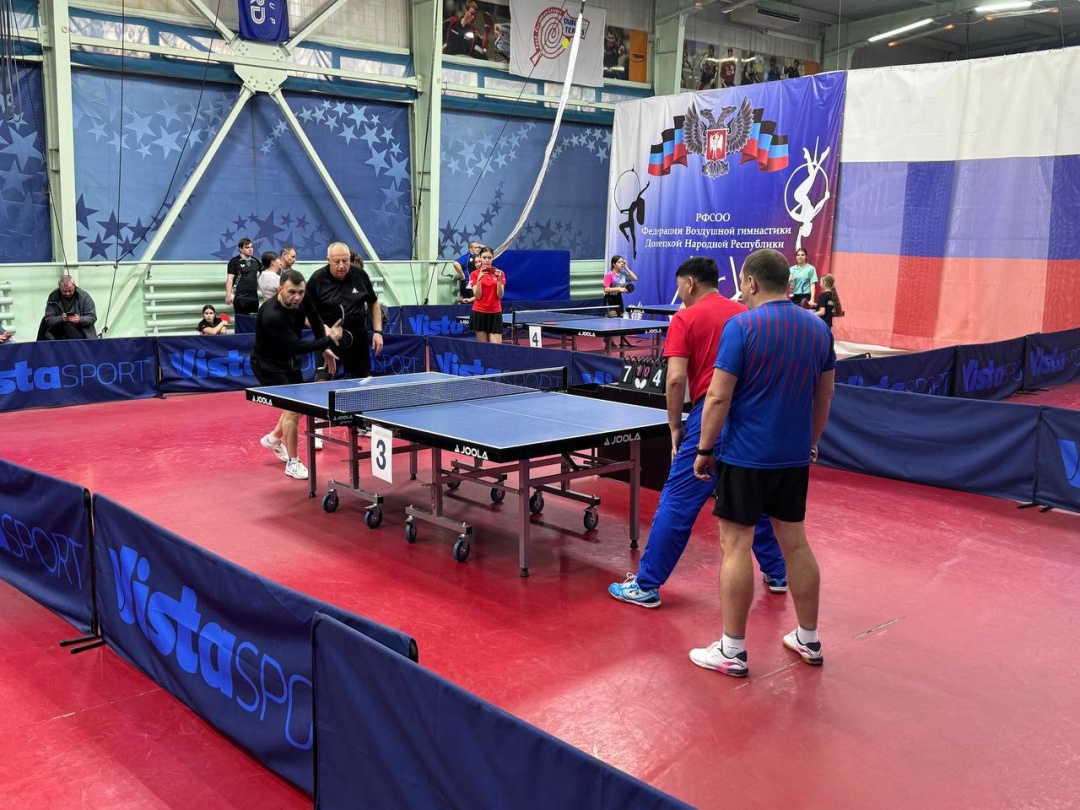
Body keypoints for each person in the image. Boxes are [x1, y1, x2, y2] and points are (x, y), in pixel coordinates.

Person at [608, 257, 787, 610]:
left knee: (677, 500)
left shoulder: (685, 318)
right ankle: (777, 573)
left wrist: (675, 425)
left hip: (711, 414)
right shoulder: (744, 313)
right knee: (751, 497)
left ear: (689, 283)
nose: (679, 292)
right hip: (753, 417)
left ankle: (646, 585)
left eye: (679, 285)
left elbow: (675, 379)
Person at [689, 249, 836, 678]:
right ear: (788, 282)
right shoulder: (819, 329)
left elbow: (718, 396)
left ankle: (732, 650)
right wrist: (811, 443)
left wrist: (704, 448)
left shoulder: (742, 326)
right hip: (793, 458)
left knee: (736, 545)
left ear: (751, 283)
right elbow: (825, 395)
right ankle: (808, 638)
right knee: (796, 544)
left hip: (745, 456)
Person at [252, 269, 343, 480]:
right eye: (292, 292)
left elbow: (315, 319)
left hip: (290, 362)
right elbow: (295, 346)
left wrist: (325, 349)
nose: (297, 297)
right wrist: (328, 340)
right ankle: (293, 463)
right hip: (268, 365)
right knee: (292, 410)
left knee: (298, 407)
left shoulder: (303, 297)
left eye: (300, 292)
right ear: (279, 289)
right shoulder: (272, 315)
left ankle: (273, 439)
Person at [306, 243, 384, 380]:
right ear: (328, 260)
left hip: (357, 339)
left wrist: (378, 332)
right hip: (328, 339)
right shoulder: (317, 279)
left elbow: (373, 303)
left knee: (362, 382)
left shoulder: (360, 275)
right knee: (322, 381)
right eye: (337, 261)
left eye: (345, 261)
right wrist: (322, 328)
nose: (341, 265)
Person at [40, 276, 97, 340]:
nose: (67, 293)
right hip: (59, 331)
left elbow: (92, 317)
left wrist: (80, 319)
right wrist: (61, 318)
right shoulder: (53, 297)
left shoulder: (84, 297)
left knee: (67, 325)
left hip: (81, 331)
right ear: (59, 287)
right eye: (64, 291)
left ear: (74, 286)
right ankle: (39, 345)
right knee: (44, 321)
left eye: (70, 290)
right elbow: (48, 319)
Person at [469, 245, 505, 343]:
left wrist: (499, 280)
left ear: (493, 258)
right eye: (484, 257)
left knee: (496, 347)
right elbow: (477, 296)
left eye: (489, 258)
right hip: (479, 312)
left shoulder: (500, 273)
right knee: (483, 348)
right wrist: (479, 280)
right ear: (480, 258)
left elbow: (500, 296)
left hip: (495, 313)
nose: (486, 260)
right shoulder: (474, 274)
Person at [225, 237, 261, 317]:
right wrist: (228, 294)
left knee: (253, 321)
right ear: (240, 249)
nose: (250, 249)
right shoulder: (234, 261)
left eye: (251, 247)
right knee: (241, 320)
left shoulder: (256, 261)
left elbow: (264, 273)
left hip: (254, 297)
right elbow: (230, 279)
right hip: (240, 297)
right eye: (247, 247)